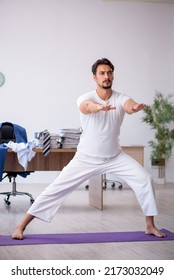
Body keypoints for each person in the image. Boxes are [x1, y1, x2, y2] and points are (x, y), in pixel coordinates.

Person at [12, 58, 166, 240]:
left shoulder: (120, 97)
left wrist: (134, 107)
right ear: (95, 77)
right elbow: (86, 107)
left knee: (145, 179)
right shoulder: (86, 98)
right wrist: (99, 107)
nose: (106, 76)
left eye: (109, 72)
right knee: (55, 189)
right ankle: (20, 226)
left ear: (113, 75)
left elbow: (128, 105)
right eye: (102, 73)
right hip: (86, 158)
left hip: (115, 157)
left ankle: (150, 225)